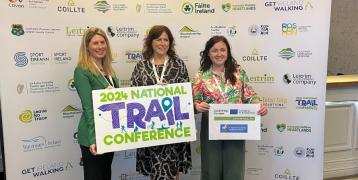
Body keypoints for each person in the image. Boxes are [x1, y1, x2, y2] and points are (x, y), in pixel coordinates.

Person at [192, 35, 268, 180]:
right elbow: (194, 101)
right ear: (208, 53)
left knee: (234, 169)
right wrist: (197, 106)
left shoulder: (238, 72)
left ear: (228, 52)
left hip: (236, 125)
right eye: (214, 50)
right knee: (211, 169)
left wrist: (259, 105)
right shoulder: (201, 76)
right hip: (211, 126)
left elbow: (250, 95)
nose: (219, 54)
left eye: (223, 50)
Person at [130, 25, 192, 180]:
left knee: (172, 172)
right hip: (150, 131)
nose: (162, 43)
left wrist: (169, 91)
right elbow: (132, 97)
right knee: (154, 172)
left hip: (172, 131)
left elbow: (186, 99)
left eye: (166, 40)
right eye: (158, 39)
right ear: (151, 42)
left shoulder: (178, 65)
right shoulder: (141, 66)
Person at [74, 27, 120, 180]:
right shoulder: (82, 70)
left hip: (108, 133)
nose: (100, 46)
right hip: (92, 136)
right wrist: (94, 139)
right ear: (87, 46)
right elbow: (88, 107)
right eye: (95, 43)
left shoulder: (109, 70)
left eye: (102, 42)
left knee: (106, 175)